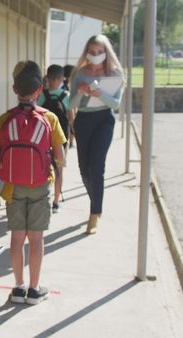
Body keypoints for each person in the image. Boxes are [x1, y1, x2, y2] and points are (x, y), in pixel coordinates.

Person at [0, 61, 66, 305]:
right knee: (36, 239)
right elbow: (60, 157)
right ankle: (34, 290)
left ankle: (18, 287)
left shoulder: (4, 119)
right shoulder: (50, 119)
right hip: (40, 186)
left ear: (15, 89)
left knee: (16, 238)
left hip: (12, 187)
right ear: (39, 90)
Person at [69, 34, 124, 235]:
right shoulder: (79, 74)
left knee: (97, 167)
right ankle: (96, 200)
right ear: (86, 52)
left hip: (104, 121)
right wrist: (81, 92)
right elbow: (71, 105)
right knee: (84, 169)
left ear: (106, 52)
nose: (96, 55)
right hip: (83, 120)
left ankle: (95, 214)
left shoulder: (115, 73)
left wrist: (100, 93)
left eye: (99, 52)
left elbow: (116, 104)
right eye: (92, 52)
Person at [37, 64, 72, 213]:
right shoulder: (65, 96)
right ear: (60, 79)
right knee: (59, 171)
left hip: (43, 138)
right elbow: (71, 117)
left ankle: (40, 199)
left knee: (42, 169)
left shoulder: (42, 95)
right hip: (61, 138)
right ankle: (56, 202)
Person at [63, 64, 76, 148]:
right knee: (71, 126)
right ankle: (71, 142)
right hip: (69, 109)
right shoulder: (70, 84)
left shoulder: (61, 83)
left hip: (63, 110)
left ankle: (70, 142)